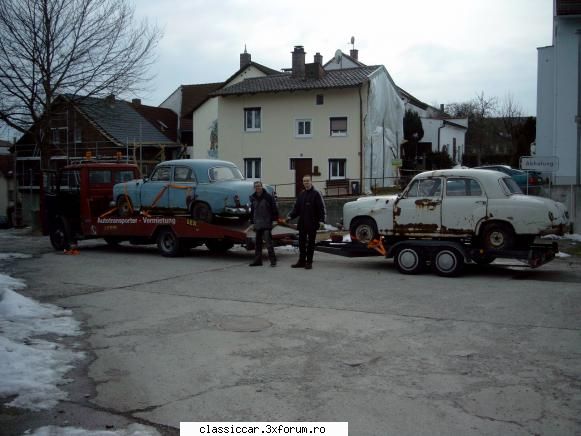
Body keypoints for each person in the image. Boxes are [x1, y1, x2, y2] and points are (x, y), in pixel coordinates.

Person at [287, 174, 326, 270]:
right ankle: (301, 261)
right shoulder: (301, 194)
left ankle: (309, 262)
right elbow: (297, 209)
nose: (306, 183)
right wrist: (290, 216)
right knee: (301, 243)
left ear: (311, 182)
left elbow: (321, 208)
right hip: (302, 223)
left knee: (311, 244)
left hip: (313, 223)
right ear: (303, 182)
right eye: (304, 181)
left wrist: (322, 221)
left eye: (308, 181)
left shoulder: (316, 194)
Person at [249, 181, 279, 267]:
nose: (257, 188)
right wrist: (252, 222)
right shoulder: (253, 198)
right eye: (256, 186)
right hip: (257, 224)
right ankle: (258, 261)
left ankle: (273, 261)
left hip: (266, 223)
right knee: (258, 244)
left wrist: (274, 220)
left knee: (268, 243)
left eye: (259, 186)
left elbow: (274, 208)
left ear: (262, 187)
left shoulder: (268, 197)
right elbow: (252, 212)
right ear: (254, 188)